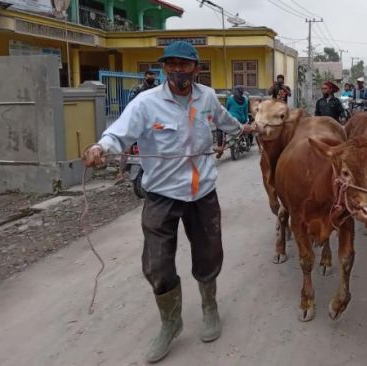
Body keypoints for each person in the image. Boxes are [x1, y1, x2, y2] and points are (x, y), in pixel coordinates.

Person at [82, 41, 253, 364]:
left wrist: (246, 128)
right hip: (161, 195)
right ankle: (171, 322)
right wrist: (99, 147)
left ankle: (209, 307)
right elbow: (117, 134)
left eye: (184, 64)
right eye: (171, 64)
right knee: (157, 266)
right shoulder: (146, 103)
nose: (177, 70)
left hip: (202, 192)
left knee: (209, 255)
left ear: (196, 68)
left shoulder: (207, 98)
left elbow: (226, 120)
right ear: (164, 69)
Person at [220, 85, 251, 157]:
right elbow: (246, 111)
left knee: (224, 131)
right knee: (246, 130)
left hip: (231, 119)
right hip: (242, 119)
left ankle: (222, 146)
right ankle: (245, 141)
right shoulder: (245, 100)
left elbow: (227, 109)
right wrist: (246, 119)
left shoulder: (230, 99)